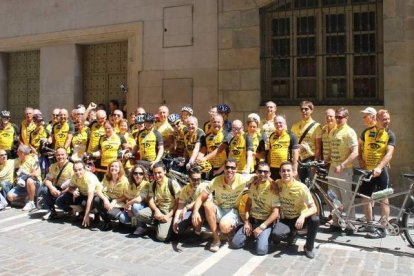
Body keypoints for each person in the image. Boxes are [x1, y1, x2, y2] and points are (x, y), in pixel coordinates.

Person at [192, 158, 254, 252]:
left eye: (232, 168)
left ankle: (229, 230)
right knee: (208, 204)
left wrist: (272, 182)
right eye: (227, 167)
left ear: (236, 169)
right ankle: (216, 239)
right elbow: (201, 197)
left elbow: (259, 175)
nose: (230, 170)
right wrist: (195, 212)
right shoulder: (216, 180)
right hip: (219, 208)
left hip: (232, 210)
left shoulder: (242, 179)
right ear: (224, 168)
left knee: (224, 226)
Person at [358, 110, 395, 238]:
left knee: (383, 199)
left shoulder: (390, 134)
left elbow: (389, 154)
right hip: (368, 170)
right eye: (384, 119)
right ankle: (369, 224)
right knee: (365, 197)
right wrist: (361, 161)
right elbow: (360, 146)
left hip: (381, 171)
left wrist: (379, 167)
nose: (387, 121)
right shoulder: (366, 132)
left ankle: (383, 227)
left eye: (388, 119)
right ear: (377, 118)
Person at [271, 161, 319, 259]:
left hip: (300, 218)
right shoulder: (277, 183)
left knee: (315, 220)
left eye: (288, 170)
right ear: (280, 173)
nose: (286, 173)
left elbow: (314, 208)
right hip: (286, 219)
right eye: (283, 171)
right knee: (275, 236)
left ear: (293, 172)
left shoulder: (301, 187)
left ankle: (308, 247)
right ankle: (292, 234)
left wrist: (302, 216)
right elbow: (267, 178)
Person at [230, 162, 279, 255]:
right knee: (235, 244)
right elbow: (248, 204)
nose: (262, 174)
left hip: (265, 223)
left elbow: (275, 213)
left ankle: (265, 235)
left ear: (269, 174)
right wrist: (247, 222)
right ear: (256, 172)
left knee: (261, 251)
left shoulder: (273, 187)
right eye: (260, 171)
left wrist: (261, 227)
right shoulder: (253, 183)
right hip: (252, 220)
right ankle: (252, 235)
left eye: (265, 172)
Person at [326, 107, 358, 233]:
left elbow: (355, 152)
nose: (338, 119)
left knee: (346, 198)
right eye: (337, 117)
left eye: (340, 117)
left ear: (346, 117)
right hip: (332, 168)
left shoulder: (349, 132)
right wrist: (325, 160)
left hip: (344, 171)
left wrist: (343, 165)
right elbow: (331, 148)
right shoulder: (334, 131)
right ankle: (336, 223)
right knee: (333, 197)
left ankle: (351, 224)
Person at [135, 161, 181, 241]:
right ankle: (160, 223)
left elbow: (178, 204)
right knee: (139, 214)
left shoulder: (172, 184)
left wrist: (168, 216)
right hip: (159, 210)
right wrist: (156, 210)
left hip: (170, 212)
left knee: (161, 237)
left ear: (165, 171)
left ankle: (167, 225)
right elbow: (150, 200)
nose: (157, 175)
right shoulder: (153, 184)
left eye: (159, 173)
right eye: (155, 173)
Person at [55, 161, 100, 228]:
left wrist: (87, 215)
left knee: (86, 203)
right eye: (75, 170)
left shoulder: (89, 178)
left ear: (84, 169)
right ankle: (78, 212)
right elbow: (70, 188)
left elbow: (90, 198)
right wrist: (73, 191)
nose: (78, 172)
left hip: (95, 196)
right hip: (83, 195)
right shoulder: (74, 177)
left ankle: (96, 213)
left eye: (80, 169)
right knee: (60, 200)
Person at [257, 115, 299, 180]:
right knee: (274, 188)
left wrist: (295, 170)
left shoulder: (291, 135)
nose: (278, 124)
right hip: (273, 168)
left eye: (280, 122)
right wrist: (268, 168)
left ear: (285, 123)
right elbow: (270, 153)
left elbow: (295, 153)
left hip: (285, 168)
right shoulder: (272, 136)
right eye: (276, 123)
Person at [291, 101, 322, 182]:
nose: (304, 111)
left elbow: (318, 147)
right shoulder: (295, 126)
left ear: (311, 110)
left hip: (310, 159)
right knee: (298, 184)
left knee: (309, 185)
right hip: (298, 159)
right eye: (302, 109)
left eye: (306, 109)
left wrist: (315, 164)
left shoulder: (317, 126)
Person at [4, 144, 42, 211]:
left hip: (34, 184)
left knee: (29, 180)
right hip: (22, 185)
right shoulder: (19, 160)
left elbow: (36, 174)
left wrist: (26, 175)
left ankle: (31, 202)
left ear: (22, 153)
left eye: (18, 152)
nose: (17, 153)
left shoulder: (34, 160)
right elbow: (8, 162)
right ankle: (29, 198)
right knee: (9, 196)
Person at [94, 160, 129, 231]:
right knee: (96, 200)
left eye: (116, 166)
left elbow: (126, 196)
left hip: (119, 202)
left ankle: (121, 219)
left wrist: (115, 201)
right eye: (112, 166)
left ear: (120, 169)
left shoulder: (124, 180)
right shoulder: (106, 177)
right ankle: (107, 221)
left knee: (112, 214)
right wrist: (105, 199)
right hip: (108, 199)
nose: (113, 168)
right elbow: (98, 190)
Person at [173, 166, 208, 235]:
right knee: (179, 228)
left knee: (196, 216)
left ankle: (197, 233)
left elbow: (200, 200)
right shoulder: (185, 189)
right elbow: (180, 208)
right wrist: (175, 221)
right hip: (189, 211)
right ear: (189, 178)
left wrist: (187, 207)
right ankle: (190, 224)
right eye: (194, 179)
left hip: (202, 210)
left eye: (198, 179)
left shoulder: (204, 186)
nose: (197, 182)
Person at [40, 147, 74, 220]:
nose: (60, 157)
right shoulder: (53, 166)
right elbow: (47, 180)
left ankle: (70, 210)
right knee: (44, 189)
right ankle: (52, 211)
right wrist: (52, 188)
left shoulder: (72, 167)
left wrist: (62, 192)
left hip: (68, 190)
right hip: (57, 188)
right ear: (55, 156)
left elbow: (75, 185)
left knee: (59, 201)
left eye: (62, 155)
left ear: (66, 155)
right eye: (58, 155)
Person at [119, 164, 151, 234]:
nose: (138, 175)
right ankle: (135, 221)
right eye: (135, 173)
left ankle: (142, 226)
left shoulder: (147, 184)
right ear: (132, 174)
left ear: (143, 175)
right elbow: (127, 197)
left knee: (136, 206)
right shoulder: (130, 184)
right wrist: (129, 208)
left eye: (141, 174)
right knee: (122, 218)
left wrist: (128, 204)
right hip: (132, 206)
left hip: (144, 207)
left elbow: (139, 199)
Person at [198, 114, 230, 179]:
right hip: (209, 168)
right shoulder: (206, 136)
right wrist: (198, 159)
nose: (216, 124)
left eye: (218, 122)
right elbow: (203, 149)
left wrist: (204, 158)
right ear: (211, 123)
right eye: (214, 122)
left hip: (223, 168)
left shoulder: (227, 134)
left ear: (222, 123)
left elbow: (220, 149)